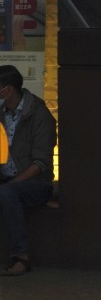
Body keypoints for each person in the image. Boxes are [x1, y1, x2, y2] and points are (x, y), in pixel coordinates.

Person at [0, 65, 57, 276]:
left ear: (7, 90)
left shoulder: (38, 114)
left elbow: (40, 162)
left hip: (36, 183)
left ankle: (21, 257)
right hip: (6, 178)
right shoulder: (2, 115)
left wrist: (14, 183)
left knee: (7, 193)